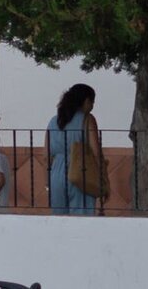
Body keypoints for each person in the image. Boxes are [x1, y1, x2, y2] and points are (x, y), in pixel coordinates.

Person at [47, 83, 102, 215]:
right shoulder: (87, 119)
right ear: (86, 101)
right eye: (92, 102)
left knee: (60, 220)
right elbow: (96, 152)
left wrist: (48, 182)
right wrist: (102, 179)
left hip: (56, 173)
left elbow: (46, 155)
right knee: (82, 221)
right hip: (81, 171)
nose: (92, 107)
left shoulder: (53, 121)